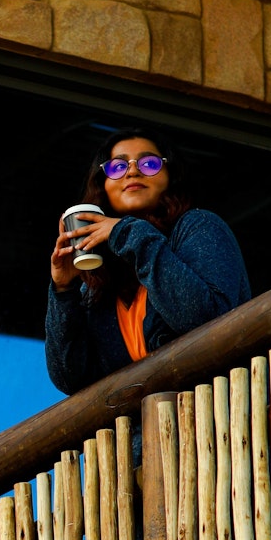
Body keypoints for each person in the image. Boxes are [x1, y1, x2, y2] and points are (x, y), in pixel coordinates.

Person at [45, 128, 251, 394]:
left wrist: (125, 232)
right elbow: (70, 378)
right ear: (102, 185)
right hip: (146, 421)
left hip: (214, 410)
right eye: (118, 167)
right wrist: (63, 290)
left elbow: (205, 321)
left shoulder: (198, 226)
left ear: (170, 176)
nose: (132, 171)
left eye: (149, 163)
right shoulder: (98, 284)